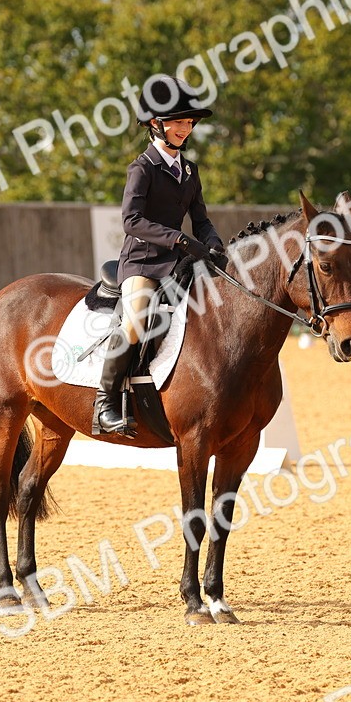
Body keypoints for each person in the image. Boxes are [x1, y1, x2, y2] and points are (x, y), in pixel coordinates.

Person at [93, 75, 228, 437]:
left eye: (189, 121)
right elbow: (131, 220)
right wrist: (179, 241)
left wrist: (214, 243)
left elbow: (201, 219)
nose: (186, 127)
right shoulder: (142, 169)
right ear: (156, 124)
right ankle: (105, 403)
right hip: (143, 263)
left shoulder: (189, 170)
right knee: (136, 321)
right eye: (179, 121)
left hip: (178, 265)